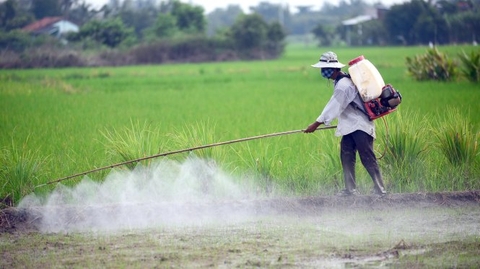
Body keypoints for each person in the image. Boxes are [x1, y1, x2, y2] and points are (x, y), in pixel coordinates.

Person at [304, 51, 387, 197]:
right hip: (351, 127)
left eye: (324, 68)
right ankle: (350, 189)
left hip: (360, 126)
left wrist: (315, 124)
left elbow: (334, 106)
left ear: (334, 68)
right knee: (346, 155)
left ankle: (380, 189)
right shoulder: (342, 81)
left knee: (367, 157)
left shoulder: (343, 85)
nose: (323, 71)